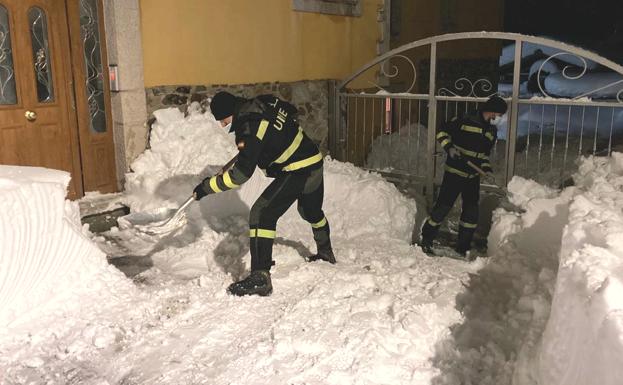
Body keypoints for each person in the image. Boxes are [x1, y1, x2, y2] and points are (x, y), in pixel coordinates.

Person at [193, 91, 336, 297]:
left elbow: (240, 175)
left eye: (223, 119)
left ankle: (260, 277)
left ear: (231, 111)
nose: (223, 125)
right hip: (312, 160)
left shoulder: (248, 128)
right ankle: (326, 252)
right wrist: (267, 139)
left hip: (296, 168)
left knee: (261, 214)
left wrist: (207, 187)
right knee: (310, 211)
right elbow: (291, 111)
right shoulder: (263, 101)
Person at [419, 95, 508, 257]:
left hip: (472, 177)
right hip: (454, 174)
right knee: (443, 207)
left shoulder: (490, 132)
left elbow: (484, 156)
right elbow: (442, 132)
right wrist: (450, 148)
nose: (499, 118)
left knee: (471, 212)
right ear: (492, 111)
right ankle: (426, 239)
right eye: (499, 115)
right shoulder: (465, 120)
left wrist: (486, 170)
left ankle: (463, 247)